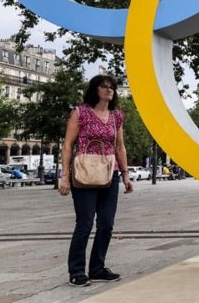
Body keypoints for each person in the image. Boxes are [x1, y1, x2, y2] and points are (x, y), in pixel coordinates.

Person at [59, 74, 134, 287]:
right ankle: (76, 271)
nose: (109, 90)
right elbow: (67, 145)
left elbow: (120, 146)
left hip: (110, 173)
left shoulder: (116, 116)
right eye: (104, 86)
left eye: (112, 87)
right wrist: (65, 176)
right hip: (84, 173)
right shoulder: (80, 112)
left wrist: (126, 175)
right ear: (95, 89)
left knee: (106, 224)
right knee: (84, 224)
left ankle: (97, 268)